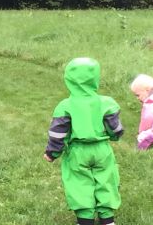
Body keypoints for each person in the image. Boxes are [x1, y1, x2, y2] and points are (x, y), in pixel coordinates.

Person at [43, 58, 124, 225]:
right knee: (107, 180)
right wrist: (115, 137)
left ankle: (85, 220)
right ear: (95, 79)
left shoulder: (65, 106)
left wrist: (52, 153)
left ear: (69, 80)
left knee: (79, 184)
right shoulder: (106, 102)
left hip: (77, 152)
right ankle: (107, 220)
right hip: (102, 150)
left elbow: (58, 134)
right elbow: (115, 128)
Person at [130, 74, 153, 150]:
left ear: (147, 90)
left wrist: (143, 137)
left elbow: (148, 118)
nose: (137, 98)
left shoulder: (150, 103)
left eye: (138, 95)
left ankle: (142, 148)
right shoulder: (148, 102)